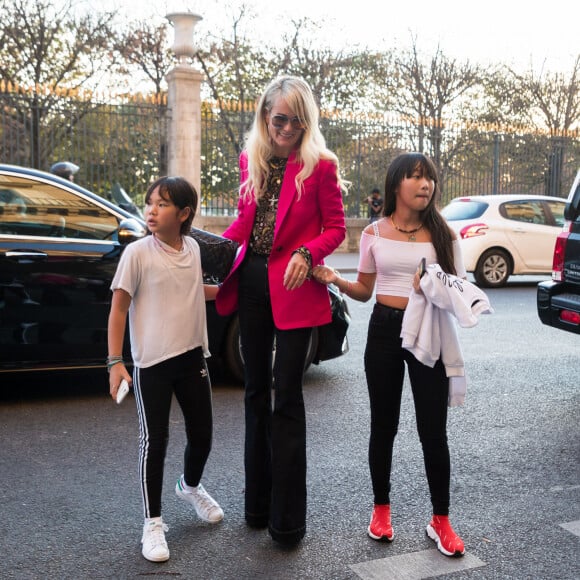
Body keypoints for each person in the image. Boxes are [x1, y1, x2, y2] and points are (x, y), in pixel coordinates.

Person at [313, 152, 467, 557]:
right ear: (396, 183)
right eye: (416, 177)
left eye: (429, 178)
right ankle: (381, 509)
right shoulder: (374, 233)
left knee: (433, 430)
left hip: (429, 329)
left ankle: (441, 520)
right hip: (384, 329)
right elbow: (365, 291)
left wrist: (431, 285)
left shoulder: (445, 234)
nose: (425, 185)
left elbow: (460, 293)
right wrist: (336, 280)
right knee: (385, 426)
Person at [215, 75, 347, 546]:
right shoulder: (250, 159)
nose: (287, 128)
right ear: (265, 116)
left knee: (286, 399)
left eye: (297, 119)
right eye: (280, 118)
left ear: (306, 122)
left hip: (296, 286)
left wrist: (308, 254)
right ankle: (256, 507)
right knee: (253, 394)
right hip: (251, 282)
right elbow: (243, 223)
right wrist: (204, 255)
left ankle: (287, 522)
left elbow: (336, 229)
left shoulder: (321, 166)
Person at [107, 176, 223, 563]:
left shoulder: (191, 247)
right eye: (149, 203)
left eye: (162, 204)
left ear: (184, 213)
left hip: (192, 358)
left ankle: (189, 486)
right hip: (152, 365)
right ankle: (152, 523)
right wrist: (115, 363)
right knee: (153, 443)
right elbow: (119, 309)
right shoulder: (137, 254)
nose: (151, 211)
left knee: (202, 436)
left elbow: (192, 287)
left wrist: (231, 291)